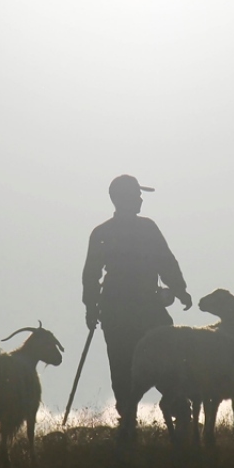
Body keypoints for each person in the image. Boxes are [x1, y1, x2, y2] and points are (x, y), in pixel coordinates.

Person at [82, 174, 191, 443]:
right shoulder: (146, 229)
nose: (141, 199)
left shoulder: (102, 232)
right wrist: (179, 289)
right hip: (144, 309)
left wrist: (91, 308)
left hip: (116, 310)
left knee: (123, 367)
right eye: (137, 194)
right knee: (166, 362)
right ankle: (178, 420)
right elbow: (166, 261)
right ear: (126, 197)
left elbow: (90, 276)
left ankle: (129, 422)